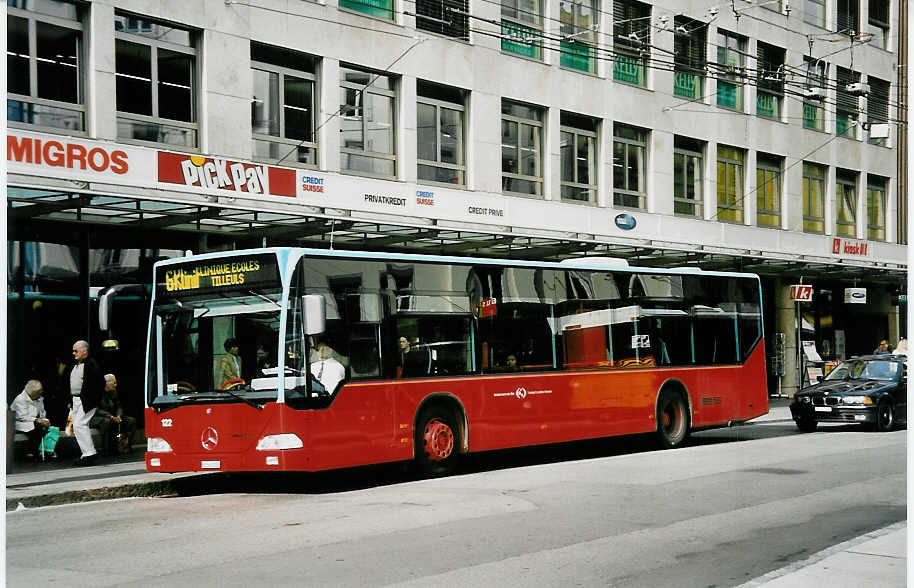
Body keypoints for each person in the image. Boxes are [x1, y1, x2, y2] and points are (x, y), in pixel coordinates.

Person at [68, 340, 105, 466]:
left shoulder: (91, 364)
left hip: (86, 400)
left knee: (79, 424)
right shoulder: (76, 365)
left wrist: (92, 400)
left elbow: (99, 383)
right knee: (77, 425)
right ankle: (87, 453)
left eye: (76, 350)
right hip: (76, 400)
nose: (73, 353)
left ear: (84, 351)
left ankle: (89, 453)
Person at [89, 374, 137, 456]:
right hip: (95, 417)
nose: (116, 385)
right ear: (107, 383)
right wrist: (111, 416)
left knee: (131, 421)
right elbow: (96, 410)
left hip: (112, 416)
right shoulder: (97, 392)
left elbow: (119, 406)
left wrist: (119, 415)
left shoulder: (114, 392)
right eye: (114, 383)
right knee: (107, 421)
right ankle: (106, 450)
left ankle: (125, 445)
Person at [11, 380, 51, 460]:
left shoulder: (39, 398)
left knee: (47, 428)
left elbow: (42, 413)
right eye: (39, 391)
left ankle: (47, 451)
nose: (41, 392)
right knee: (36, 428)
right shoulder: (20, 399)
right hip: (19, 422)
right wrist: (37, 420)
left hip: (34, 422)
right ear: (33, 392)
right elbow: (22, 416)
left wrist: (44, 420)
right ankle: (31, 452)